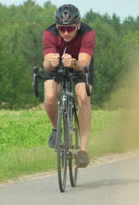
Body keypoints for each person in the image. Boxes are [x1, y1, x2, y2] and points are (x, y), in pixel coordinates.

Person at [42, 4, 95, 168]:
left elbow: (84, 62)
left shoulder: (88, 33)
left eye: (70, 28)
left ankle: (83, 150)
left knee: (84, 98)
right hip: (57, 67)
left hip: (80, 66)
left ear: (78, 25)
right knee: (50, 97)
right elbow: (46, 65)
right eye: (61, 28)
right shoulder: (49, 33)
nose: (65, 32)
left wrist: (72, 62)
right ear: (56, 26)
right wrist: (52, 63)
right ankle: (57, 129)